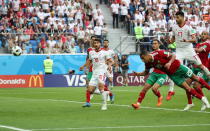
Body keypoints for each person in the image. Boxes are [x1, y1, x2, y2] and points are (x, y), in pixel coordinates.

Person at [132, 50, 210, 110]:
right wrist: (138, 74)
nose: (142, 61)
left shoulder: (159, 53)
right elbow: (146, 72)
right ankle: (203, 99)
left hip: (179, 67)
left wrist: (169, 62)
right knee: (187, 88)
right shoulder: (148, 63)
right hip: (173, 75)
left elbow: (173, 55)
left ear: (147, 55)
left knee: (195, 78)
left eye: (143, 58)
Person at [171, 11, 210, 79]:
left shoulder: (189, 28)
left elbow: (195, 39)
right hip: (179, 50)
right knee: (175, 67)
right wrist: (170, 41)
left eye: (177, 17)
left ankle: (208, 74)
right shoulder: (174, 28)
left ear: (183, 18)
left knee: (200, 65)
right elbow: (173, 39)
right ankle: (171, 90)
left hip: (189, 50)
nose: (176, 19)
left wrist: (187, 40)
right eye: (175, 18)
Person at [82, 39, 114, 110]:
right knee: (90, 90)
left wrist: (109, 65)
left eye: (97, 43)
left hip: (102, 71)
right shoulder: (91, 52)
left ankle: (104, 105)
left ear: (100, 44)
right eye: (94, 43)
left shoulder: (104, 53)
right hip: (94, 73)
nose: (95, 44)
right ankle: (88, 102)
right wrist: (84, 66)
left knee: (100, 87)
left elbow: (111, 61)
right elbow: (89, 61)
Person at [183, 31, 210, 111]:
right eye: (202, 34)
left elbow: (200, 50)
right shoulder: (198, 44)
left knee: (196, 85)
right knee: (186, 84)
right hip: (194, 68)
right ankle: (190, 103)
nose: (203, 35)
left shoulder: (207, 44)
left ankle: (204, 102)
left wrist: (190, 48)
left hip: (202, 69)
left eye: (205, 34)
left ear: (208, 36)